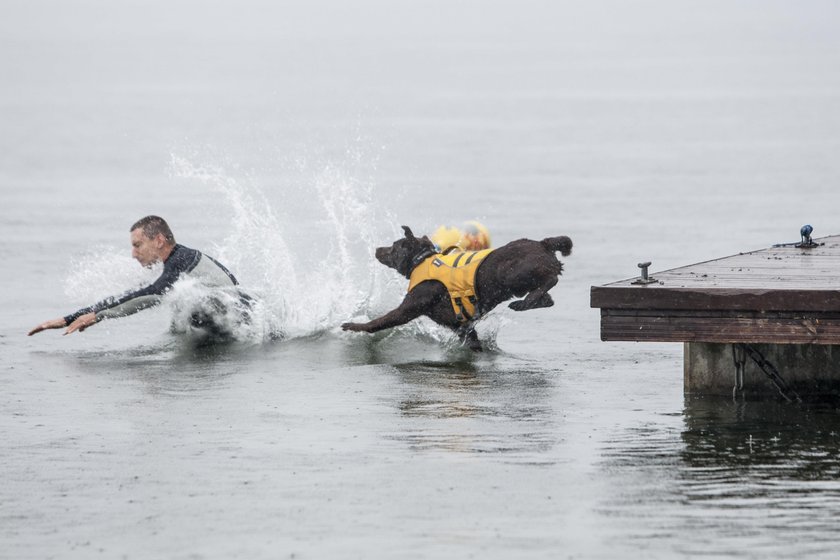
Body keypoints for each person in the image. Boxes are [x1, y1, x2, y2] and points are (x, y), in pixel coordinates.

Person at [28, 215, 245, 336]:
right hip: (235, 327)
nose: (133, 254)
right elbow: (134, 294)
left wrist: (99, 315)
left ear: (159, 240)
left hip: (242, 324)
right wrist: (72, 317)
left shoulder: (181, 260)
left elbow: (152, 294)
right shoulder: (177, 266)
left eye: (138, 245)